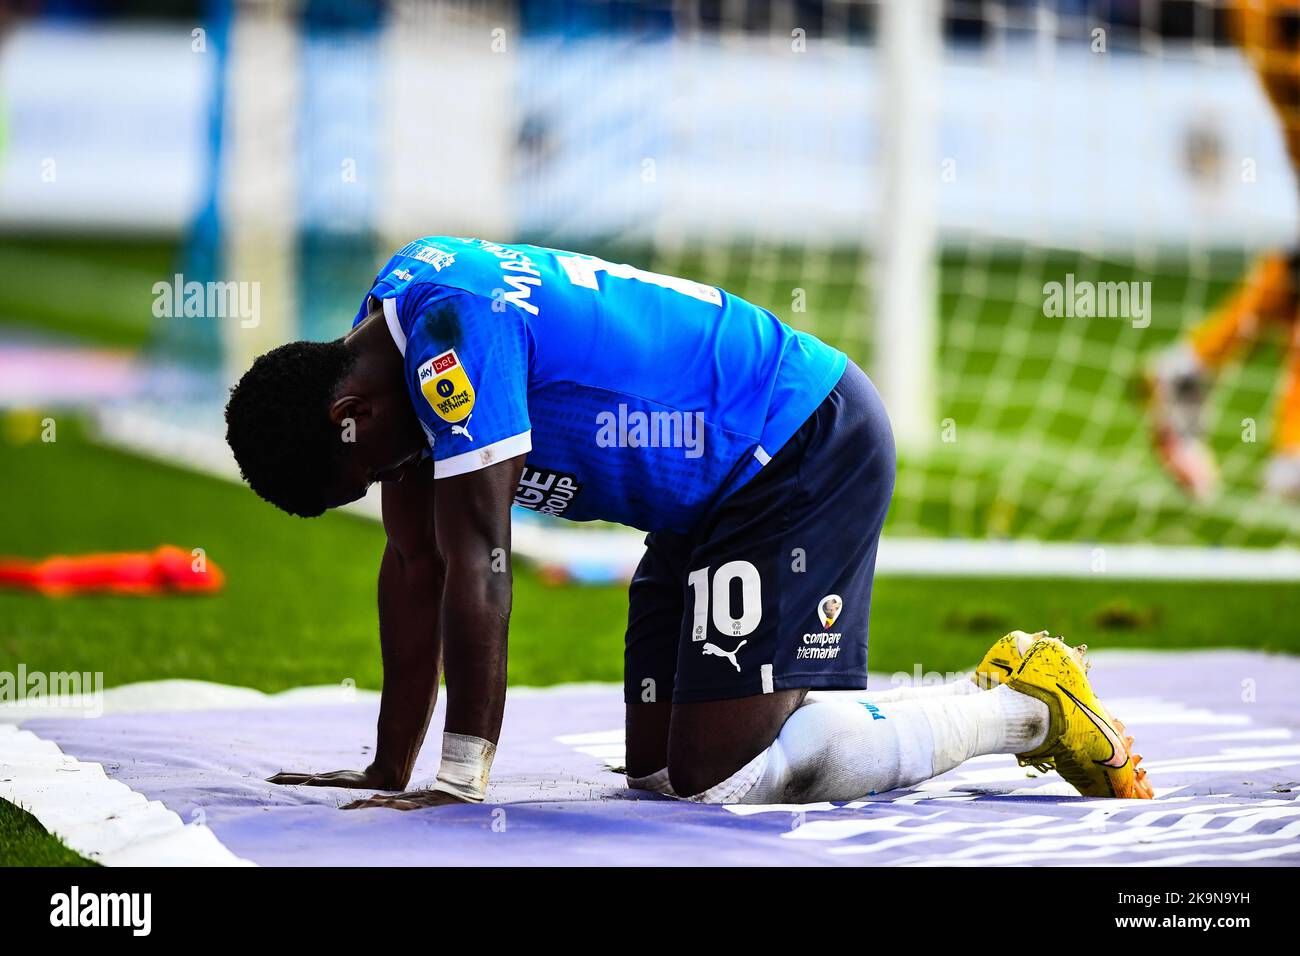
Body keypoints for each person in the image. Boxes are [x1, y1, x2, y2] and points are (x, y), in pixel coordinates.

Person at [225, 236, 1150, 807]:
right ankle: (867, 710)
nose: (390, 479)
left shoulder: (450, 337)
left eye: (369, 469)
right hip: (702, 498)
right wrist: (390, 767)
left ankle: (1026, 706)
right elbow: (413, 563)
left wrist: (459, 783)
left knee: (731, 780)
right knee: (659, 777)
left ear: (350, 415)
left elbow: (480, 566)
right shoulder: (382, 334)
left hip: (790, 445)